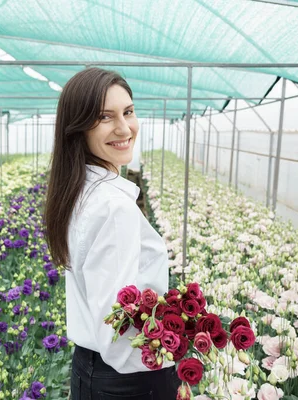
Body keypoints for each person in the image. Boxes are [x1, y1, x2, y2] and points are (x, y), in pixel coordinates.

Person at [44, 67, 180, 399]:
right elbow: (115, 331)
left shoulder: (78, 190)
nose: (124, 127)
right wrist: (166, 353)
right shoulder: (112, 207)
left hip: (90, 370)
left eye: (128, 112)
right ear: (78, 128)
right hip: (126, 380)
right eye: (105, 117)